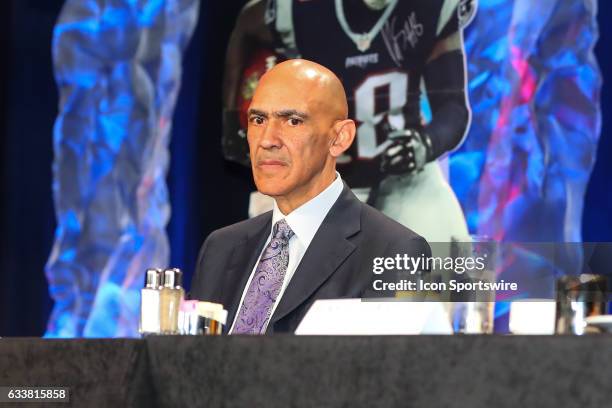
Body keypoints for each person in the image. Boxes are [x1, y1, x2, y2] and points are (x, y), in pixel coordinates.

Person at [192, 59, 431, 334]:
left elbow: (391, 372)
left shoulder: (396, 251)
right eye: (258, 120)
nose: (267, 140)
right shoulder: (220, 248)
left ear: (340, 138)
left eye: (293, 121)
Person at [222, 0, 476, 245]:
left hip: (405, 181)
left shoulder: (431, 7)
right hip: (319, 184)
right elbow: (248, 23)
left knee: (449, 275)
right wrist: (232, 119)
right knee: (290, 280)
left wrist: (424, 146)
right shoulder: (303, 11)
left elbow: (453, 109)